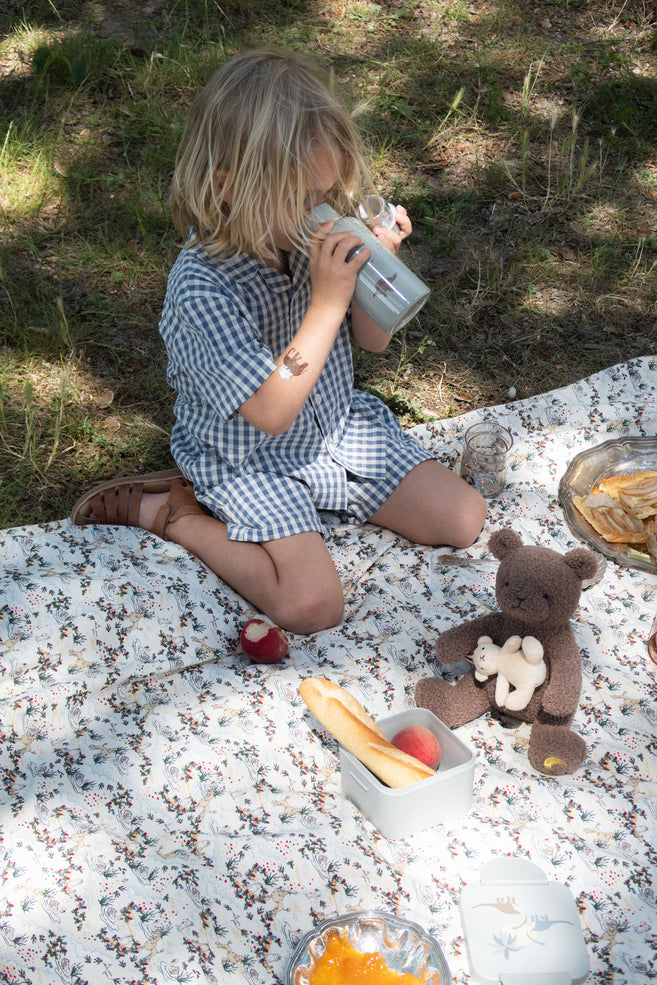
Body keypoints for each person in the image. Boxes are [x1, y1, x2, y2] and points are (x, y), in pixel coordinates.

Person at [71, 47, 486, 634]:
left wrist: (377, 277)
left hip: (335, 431)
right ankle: (173, 512)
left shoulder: (304, 237)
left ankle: (312, 504)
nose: (316, 212)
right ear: (227, 189)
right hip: (250, 460)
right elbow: (270, 410)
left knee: (464, 516)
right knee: (311, 606)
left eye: (323, 192)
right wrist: (327, 301)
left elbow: (370, 344)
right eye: (297, 197)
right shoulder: (202, 289)